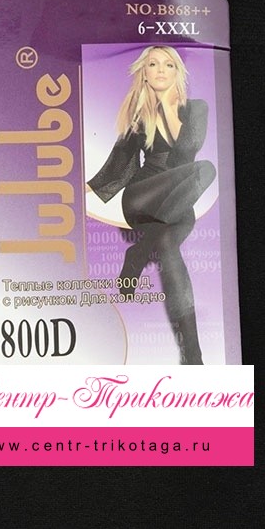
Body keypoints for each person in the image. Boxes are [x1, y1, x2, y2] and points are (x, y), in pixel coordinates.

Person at [86, 45, 216, 364]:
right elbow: (120, 162)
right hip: (141, 197)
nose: (160, 70)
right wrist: (80, 190)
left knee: (170, 248)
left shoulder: (196, 109)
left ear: (177, 72)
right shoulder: (139, 116)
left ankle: (193, 356)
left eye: (169, 65)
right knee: (205, 170)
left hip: (177, 204)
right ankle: (143, 249)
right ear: (144, 73)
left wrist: (169, 105)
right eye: (153, 64)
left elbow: (187, 148)